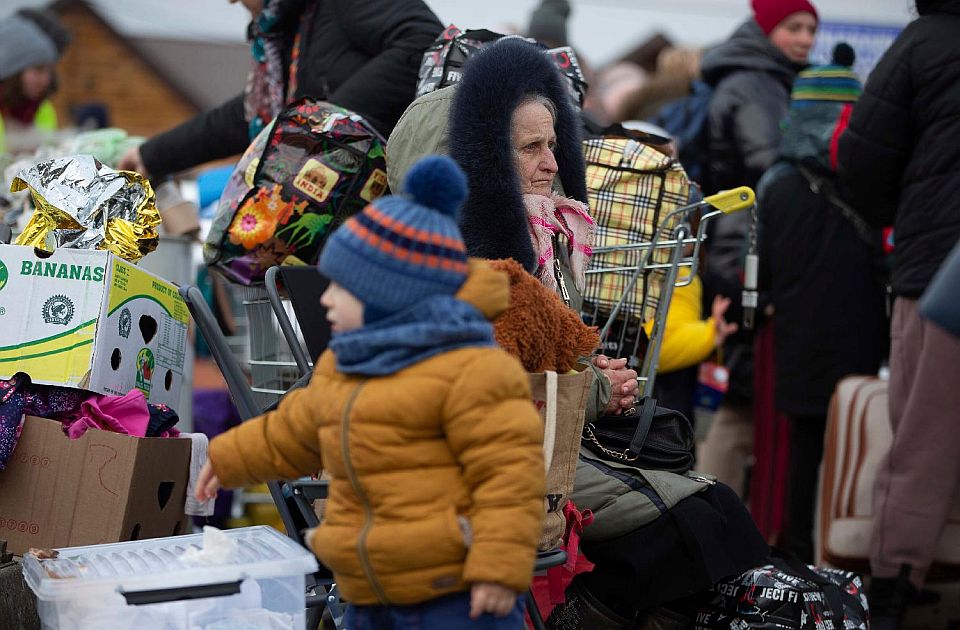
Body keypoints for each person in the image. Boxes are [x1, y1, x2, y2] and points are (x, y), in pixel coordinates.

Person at [389, 38, 769, 626]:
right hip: (486, 464)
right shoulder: (450, 267)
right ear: (476, 163)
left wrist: (595, 377)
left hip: (543, 446)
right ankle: (578, 617)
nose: (554, 163)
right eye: (532, 148)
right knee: (699, 522)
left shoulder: (538, 242)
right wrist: (596, 388)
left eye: (553, 143)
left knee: (712, 510)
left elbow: (544, 357)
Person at [196, 155, 545, 628]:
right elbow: (292, 432)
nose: (324, 298)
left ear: (388, 297)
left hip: (455, 593)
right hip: (368, 588)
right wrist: (229, 458)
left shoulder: (472, 373)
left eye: (340, 287)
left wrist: (500, 568)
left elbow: (509, 479)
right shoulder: (344, 367)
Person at [837, 1, 960, 627]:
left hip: (941, 274)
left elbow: (861, 157)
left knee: (922, 439)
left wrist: (900, 219)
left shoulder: (925, 42)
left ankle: (890, 587)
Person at [757, 45, 887, 564]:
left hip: (798, 336)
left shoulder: (777, 184)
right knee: (854, 449)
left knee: (805, 450)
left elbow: (762, 270)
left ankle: (798, 556)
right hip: (861, 335)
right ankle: (840, 556)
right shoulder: (871, 185)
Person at [696, 0, 818, 498]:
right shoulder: (754, 84)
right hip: (743, 249)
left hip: (747, 245)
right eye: (794, 27)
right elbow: (770, 167)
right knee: (740, 393)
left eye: (812, 28)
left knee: (745, 390)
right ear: (767, 30)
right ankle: (716, 508)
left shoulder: (767, 78)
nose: (806, 38)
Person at [118, 0, 442, 180]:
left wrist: (316, 129)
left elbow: (425, 41)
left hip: (379, 198)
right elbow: (253, 114)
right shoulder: (285, 28)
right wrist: (154, 154)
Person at [0, 10, 69, 155]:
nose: (45, 79)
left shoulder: (43, 110)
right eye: (38, 70)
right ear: (13, 72)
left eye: (49, 71)